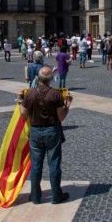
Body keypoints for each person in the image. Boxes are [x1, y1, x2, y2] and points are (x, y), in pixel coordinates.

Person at [18, 66, 73, 205]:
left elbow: (23, 114)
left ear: (38, 78)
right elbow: (61, 117)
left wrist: (20, 100)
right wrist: (68, 104)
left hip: (35, 132)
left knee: (36, 165)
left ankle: (35, 196)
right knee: (54, 164)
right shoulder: (55, 94)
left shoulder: (30, 94)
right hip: (52, 131)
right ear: (50, 80)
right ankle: (56, 196)